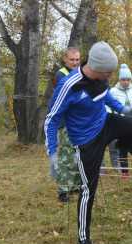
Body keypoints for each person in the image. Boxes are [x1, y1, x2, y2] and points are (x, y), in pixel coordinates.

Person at [45, 41, 132, 244]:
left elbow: (106, 96)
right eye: (109, 72)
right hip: (86, 142)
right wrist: (52, 153)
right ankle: (83, 239)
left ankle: (122, 143)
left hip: (106, 123)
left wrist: (123, 109)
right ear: (98, 68)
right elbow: (51, 119)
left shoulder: (101, 80)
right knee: (87, 191)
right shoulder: (68, 85)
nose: (111, 76)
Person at [52, 47, 82, 203]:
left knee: (77, 154)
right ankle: (63, 190)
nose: (75, 63)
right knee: (66, 157)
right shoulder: (61, 75)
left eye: (77, 60)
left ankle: (75, 185)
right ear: (65, 59)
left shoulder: (80, 73)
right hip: (66, 122)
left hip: (79, 121)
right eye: (72, 60)